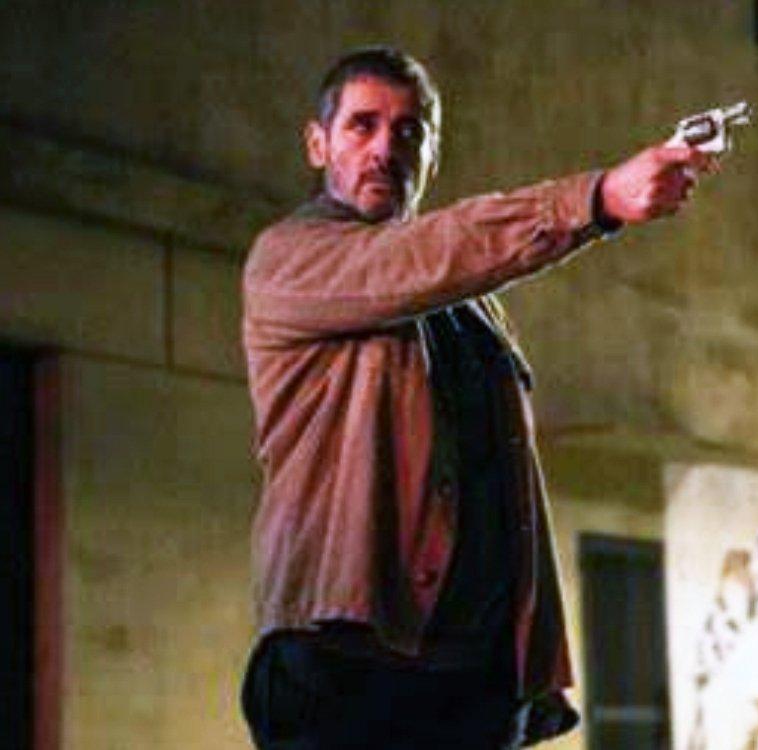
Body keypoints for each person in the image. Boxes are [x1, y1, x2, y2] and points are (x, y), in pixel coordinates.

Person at [239, 46, 717, 749]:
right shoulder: (289, 259)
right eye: (362, 126)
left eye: (408, 131)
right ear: (318, 143)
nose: (385, 149)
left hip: (469, 679)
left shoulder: (468, 305)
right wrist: (596, 199)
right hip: (348, 668)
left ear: (431, 153)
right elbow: (416, 259)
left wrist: (522, 667)